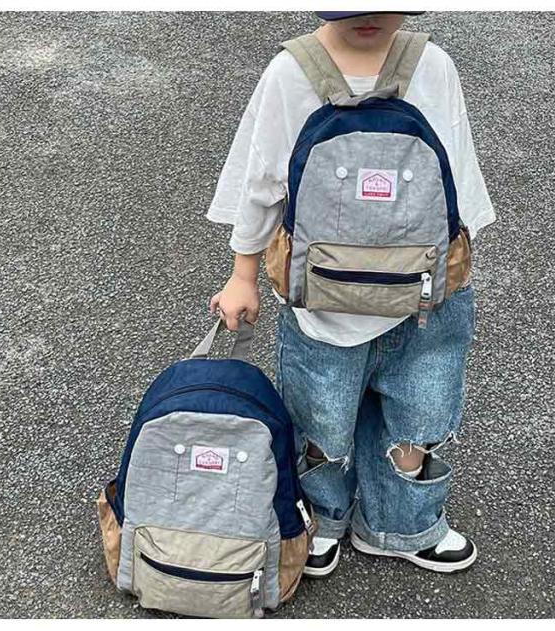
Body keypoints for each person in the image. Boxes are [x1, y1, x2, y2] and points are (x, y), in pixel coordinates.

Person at [206, 11, 496, 576]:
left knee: (421, 413)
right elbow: (260, 177)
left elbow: (457, 173)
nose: (366, 17)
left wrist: (458, 258)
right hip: (322, 304)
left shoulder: (432, 66)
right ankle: (321, 517)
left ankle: (402, 523)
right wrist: (243, 273)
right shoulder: (291, 72)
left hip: (422, 300)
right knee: (321, 419)